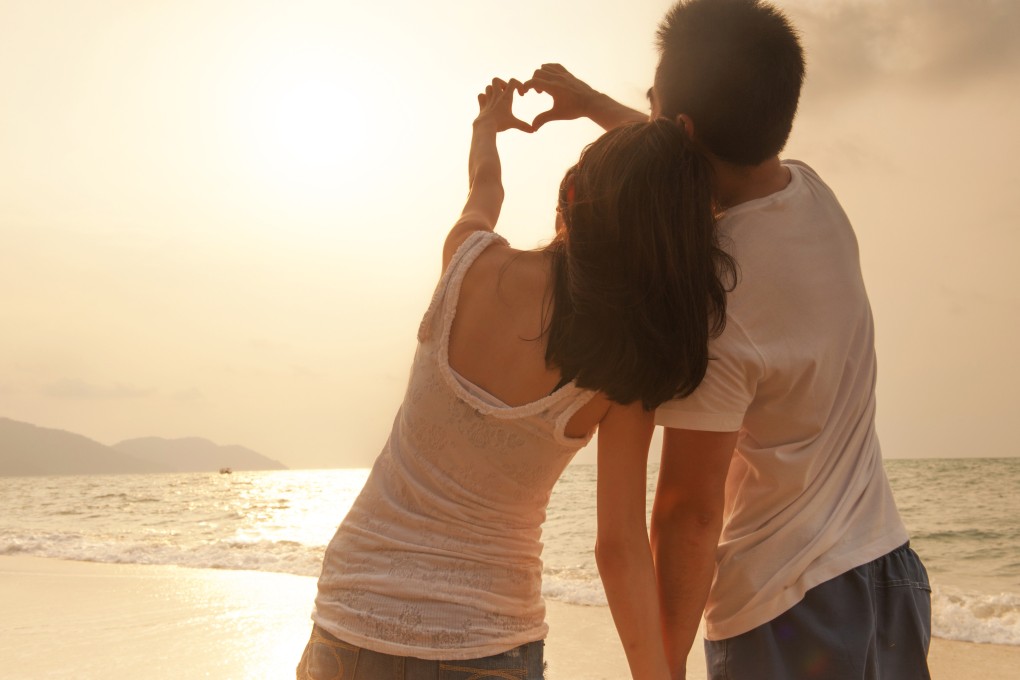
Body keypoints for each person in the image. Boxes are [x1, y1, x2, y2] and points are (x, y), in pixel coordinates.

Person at [522, 1, 932, 678]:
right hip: (889, 575)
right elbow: (693, 162)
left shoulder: (715, 299)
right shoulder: (813, 193)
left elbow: (688, 511)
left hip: (787, 611)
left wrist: (666, 664)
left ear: (681, 129)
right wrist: (593, 102)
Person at [297, 76, 735, 680]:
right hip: (486, 642)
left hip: (350, 617)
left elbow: (485, 186)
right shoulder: (624, 368)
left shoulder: (468, 260)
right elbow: (620, 546)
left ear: (572, 192)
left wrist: (488, 128)